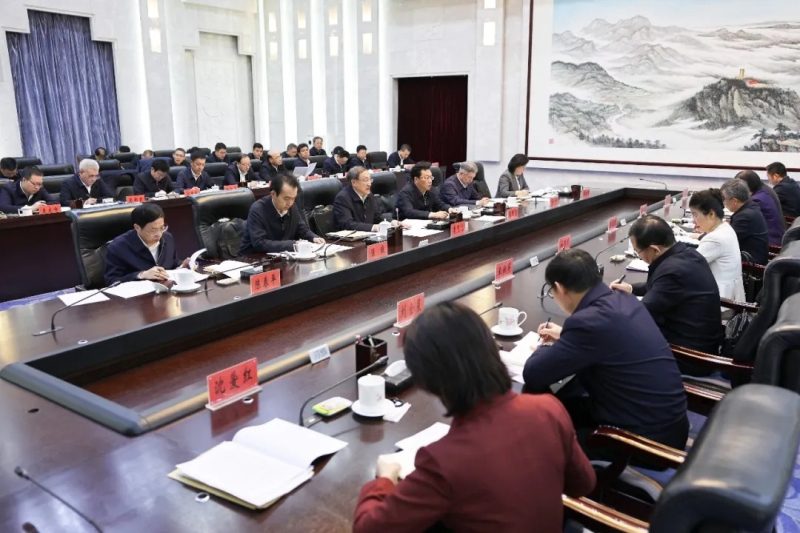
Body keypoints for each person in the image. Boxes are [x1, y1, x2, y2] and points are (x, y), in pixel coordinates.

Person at [353, 302, 596, 533]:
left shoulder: (444, 461)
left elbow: (369, 528)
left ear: (427, 382)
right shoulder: (549, 409)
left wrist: (384, 479)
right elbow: (583, 484)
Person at [523, 249, 688, 456]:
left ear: (560, 288)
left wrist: (545, 347)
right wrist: (567, 336)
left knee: (538, 431)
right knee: (561, 406)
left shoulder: (588, 323)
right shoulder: (623, 299)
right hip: (668, 424)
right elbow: (603, 338)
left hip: (642, 441)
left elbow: (533, 373)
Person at [610, 216, 722, 372]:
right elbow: (660, 288)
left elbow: (641, 314)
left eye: (638, 252)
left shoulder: (672, 271)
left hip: (690, 357)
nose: (639, 256)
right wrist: (630, 288)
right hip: (701, 340)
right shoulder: (688, 254)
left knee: (614, 344)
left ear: (655, 249)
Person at [239, 172, 324, 255]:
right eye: (286, 198)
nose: (290, 203)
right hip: (252, 258)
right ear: (273, 194)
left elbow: (302, 229)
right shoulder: (258, 209)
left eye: (293, 198)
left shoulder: (292, 207)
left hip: (280, 257)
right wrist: (292, 245)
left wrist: (314, 237)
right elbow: (259, 243)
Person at [104, 203, 186, 285]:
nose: (159, 234)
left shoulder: (167, 238)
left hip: (167, 289)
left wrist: (183, 265)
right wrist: (141, 275)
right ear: (137, 228)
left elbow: (173, 263)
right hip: (138, 292)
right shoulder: (118, 247)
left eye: (162, 228)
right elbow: (112, 280)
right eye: (153, 230)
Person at [689, 189, 746, 301]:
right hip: (728, 295)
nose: (693, 221)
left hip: (720, 302)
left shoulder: (715, 239)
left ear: (711, 214)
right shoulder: (726, 228)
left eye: (695, 215)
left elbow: (688, 265)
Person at [334, 167, 408, 232]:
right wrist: (372, 227)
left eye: (370, 180)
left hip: (367, 236)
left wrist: (391, 222)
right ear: (354, 182)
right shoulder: (343, 198)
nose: (369, 184)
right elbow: (347, 224)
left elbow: (377, 217)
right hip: (347, 239)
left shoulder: (369, 195)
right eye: (365, 180)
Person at [720, 178, 769, 264]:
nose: (723, 201)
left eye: (724, 198)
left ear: (734, 201)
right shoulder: (750, 206)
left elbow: (724, 240)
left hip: (750, 264)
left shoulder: (746, 216)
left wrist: (701, 236)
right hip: (748, 256)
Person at [736, 170, 785, 246]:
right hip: (778, 234)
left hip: (770, 242)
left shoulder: (756, 200)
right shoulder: (765, 189)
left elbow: (743, 224)